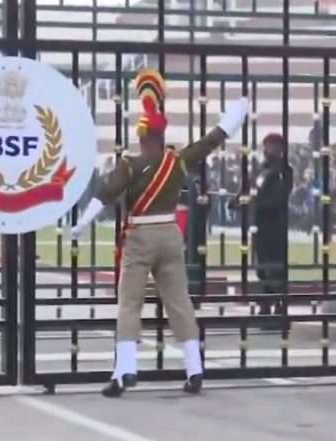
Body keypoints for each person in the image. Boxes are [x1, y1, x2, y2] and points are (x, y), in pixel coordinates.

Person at [70, 68, 248, 397]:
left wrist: (82, 223)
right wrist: (237, 114)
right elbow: (212, 140)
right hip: (169, 233)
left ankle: (125, 371)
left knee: (129, 304)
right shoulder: (177, 162)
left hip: (140, 238)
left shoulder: (130, 166)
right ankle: (195, 369)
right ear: (161, 137)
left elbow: (105, 193)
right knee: (179, 302)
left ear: (141, 136)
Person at [230, 133, 292, 322]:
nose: (268, 151)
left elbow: (279, 198)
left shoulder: (284, 171)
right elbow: (246, 189)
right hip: (259, 226)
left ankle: (280, 301)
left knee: (276, 265)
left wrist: (254, 203)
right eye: (266, 146)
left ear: (281, 149)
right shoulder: (259, 170)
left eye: (273, 146)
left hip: (276, 225)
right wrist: (237, 200)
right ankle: (265, 301)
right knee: (261, 265)